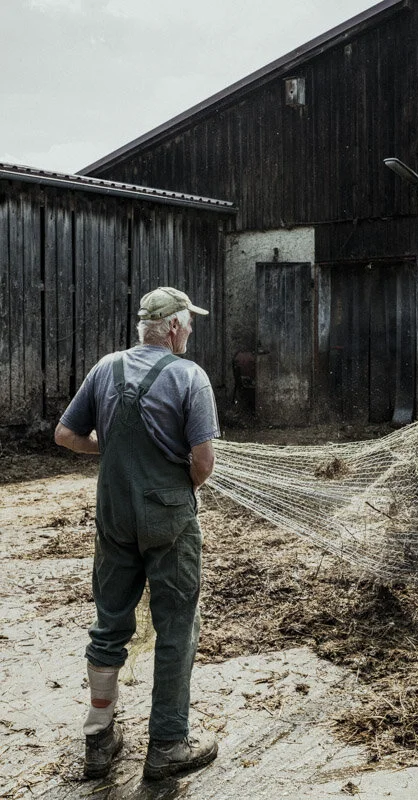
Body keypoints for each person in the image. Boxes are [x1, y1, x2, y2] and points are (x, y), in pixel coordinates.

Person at [55, 286, 220, 781]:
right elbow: (203, 463)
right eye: (189, 323)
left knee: (109, 626)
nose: (190, 330)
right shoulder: (190, 376)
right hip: (167, 518)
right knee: (176, 627)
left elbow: (65, 436)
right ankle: (169, 744)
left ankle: (98, 740)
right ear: (172, 327)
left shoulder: (106, 368)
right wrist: (171, 488)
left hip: (114, 515)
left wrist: (110, 450)